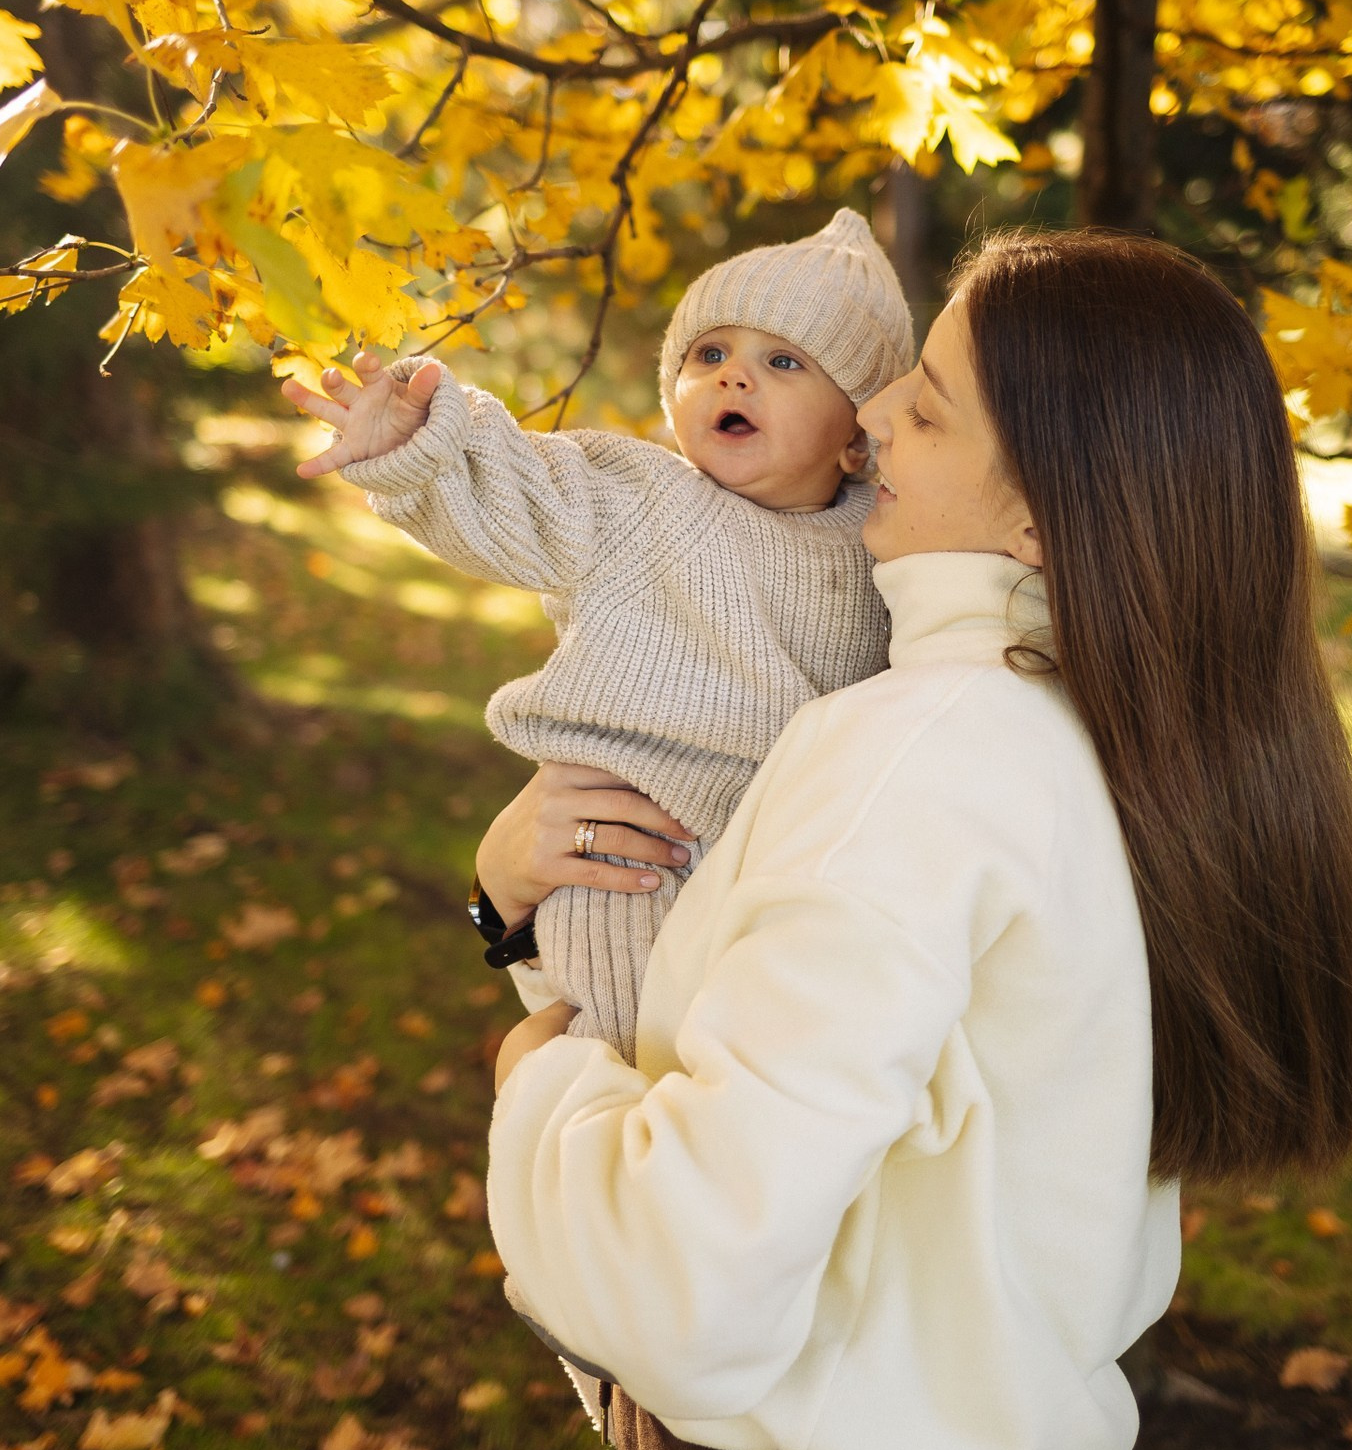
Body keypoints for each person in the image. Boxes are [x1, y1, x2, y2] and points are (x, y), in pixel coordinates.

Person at [476, 228, 1352, 1450]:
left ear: (1039, 520)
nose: (875, 414)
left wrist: (537, 1083)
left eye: (929, 406)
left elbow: (680, 1284)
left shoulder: (915, 758)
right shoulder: (1118, 737)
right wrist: (505, 903)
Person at [282, 209, 914, 1061]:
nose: (733, 376)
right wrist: (421, 446)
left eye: (784, 362)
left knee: (761, 1052)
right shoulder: (643, 498)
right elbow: (520, 492)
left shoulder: (887, 550)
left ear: (857, 442)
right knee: (631, 1043)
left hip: (782, 868)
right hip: (631, 851)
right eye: (709, 354)